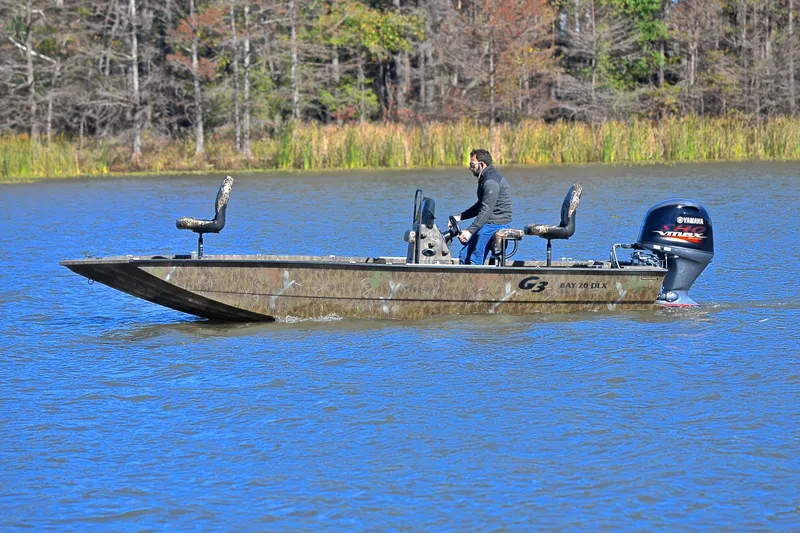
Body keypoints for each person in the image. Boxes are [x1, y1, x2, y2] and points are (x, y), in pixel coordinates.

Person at [450, 149, 513, 265]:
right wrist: (460, 217)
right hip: (489, 221)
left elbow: (486, 210)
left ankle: (477, 274)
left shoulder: (490, 182)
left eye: (472, 164)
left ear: (482, 164)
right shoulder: (485, 178)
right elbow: (481, 205)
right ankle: (464, 275)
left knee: (475, 257)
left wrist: (469, 231)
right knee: (464, 255)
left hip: (498, 222)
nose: (470, 168)